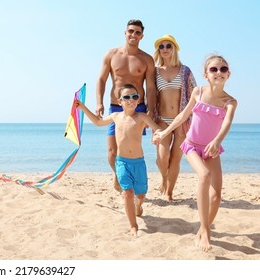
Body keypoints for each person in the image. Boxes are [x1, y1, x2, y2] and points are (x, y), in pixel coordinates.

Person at [153, 54, 238, 252]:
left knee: (216, 196)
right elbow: (183, 115)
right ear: (206, 74)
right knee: (204, 175)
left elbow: (227, 123)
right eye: (214, 69)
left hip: (212, 149)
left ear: (229, 74)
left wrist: (217, 141)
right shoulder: (198, 92)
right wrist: (165, 132)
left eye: (223, 69)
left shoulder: (230, 101)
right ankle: (206, 232)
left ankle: (202, 228)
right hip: (192, 145)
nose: (218, 72)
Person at [76, 84, 160, 237]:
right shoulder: (115, 116)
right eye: (126, 97)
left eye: (134, 97)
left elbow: (157, 129)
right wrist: (82, 107)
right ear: (120, 101)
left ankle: (138, 206)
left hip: (138, 163)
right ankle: (133, 225)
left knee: (140, 195)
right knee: (127, 192)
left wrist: (156, 136)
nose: (131, 100)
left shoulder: (142, 117)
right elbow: (97, 122)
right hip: (122, 162)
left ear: (138, 100)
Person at [95, 19, 157, 194]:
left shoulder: (146, 59)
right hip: (116, 107)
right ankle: (118, 172)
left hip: (138, 108)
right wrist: (99, 102)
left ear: (142, 36)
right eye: (131, 31)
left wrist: (151, 108)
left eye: (137, 32)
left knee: (131, 147)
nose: (133, 35)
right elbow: (101, 79)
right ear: (125, 32)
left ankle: (130, 182)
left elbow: (151, 87)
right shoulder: (112, 54)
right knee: (112, 150)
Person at [152, 34, 197, 202]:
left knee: (175, 158)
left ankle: (169, 192)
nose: (164, 49)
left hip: (181, 120)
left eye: (168, 46)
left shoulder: (185, 71)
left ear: (174, 49)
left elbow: (195, 93)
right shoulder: (155, 71)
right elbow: (150, 93)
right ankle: (164, 178)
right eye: (161, 46)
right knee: (162, 158)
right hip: (162, 120)